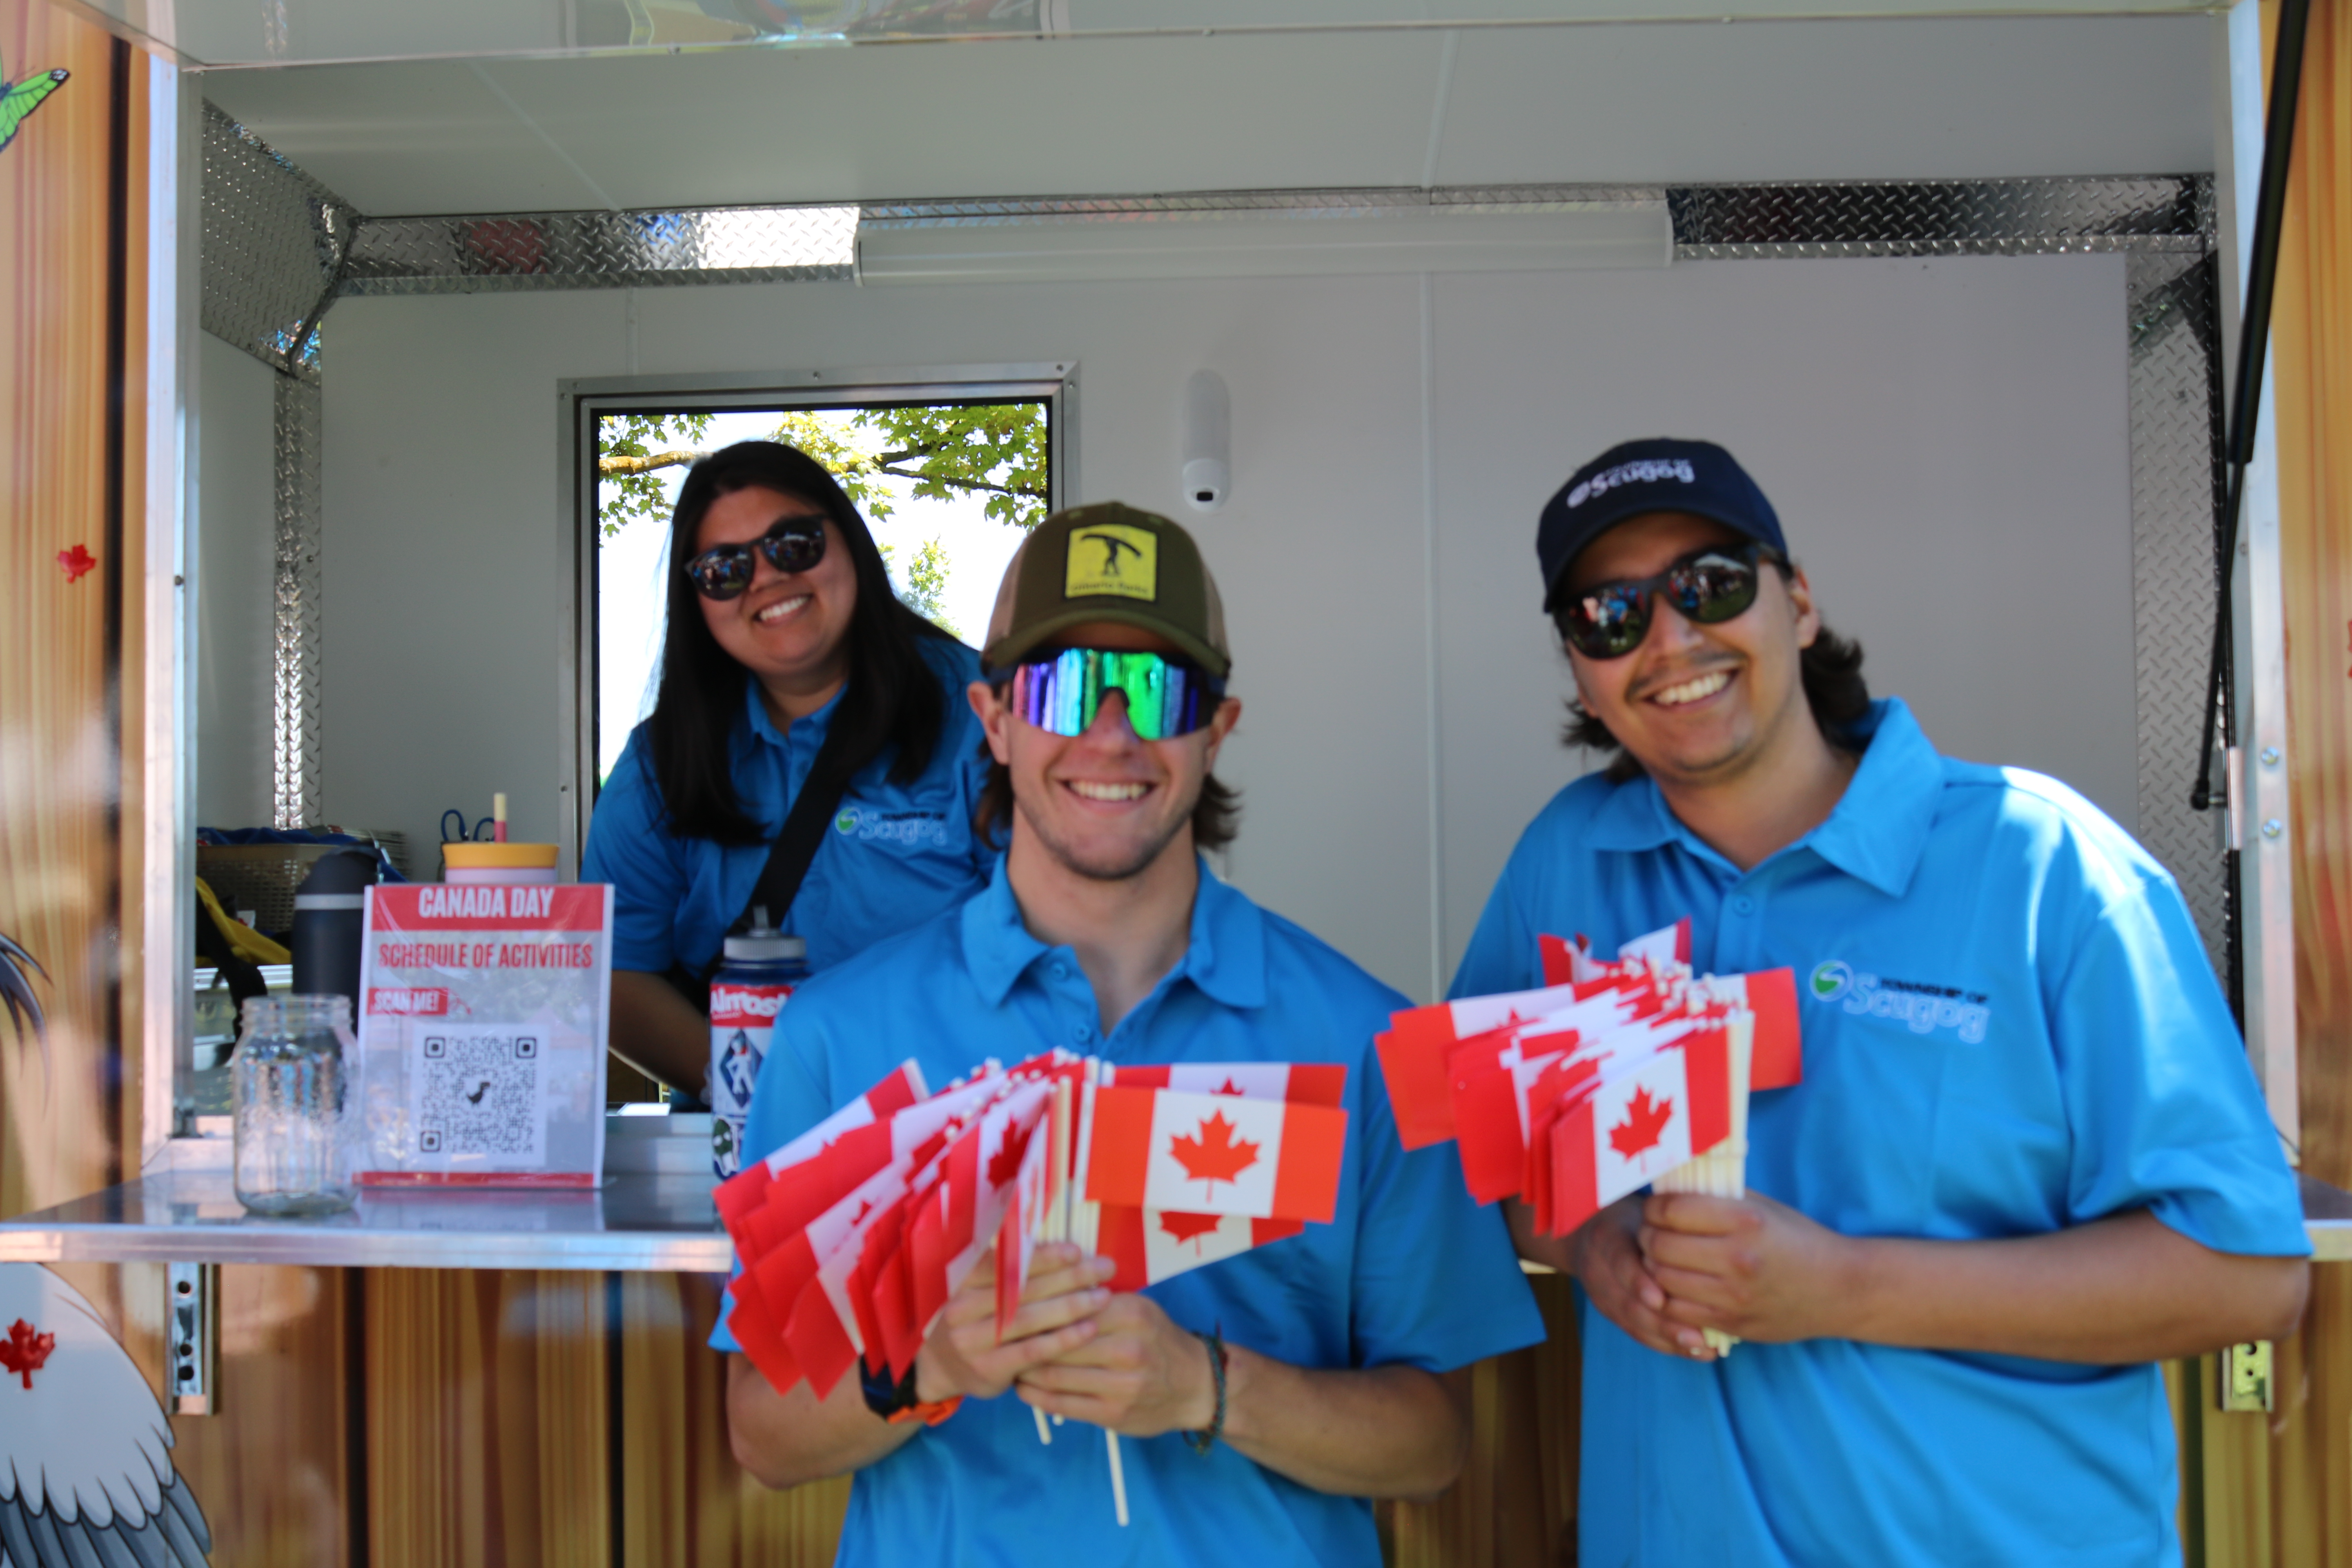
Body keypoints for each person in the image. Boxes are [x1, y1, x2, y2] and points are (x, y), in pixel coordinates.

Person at [1454, 438, 2311, 1566]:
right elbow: (1482, 1143)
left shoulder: (2045, 869)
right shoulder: (1567, 866)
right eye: (1610, 616)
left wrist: (1844, 1287)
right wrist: (1594, 1242)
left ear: (1797, 602)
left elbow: (2245, 1275)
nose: (1667, 640)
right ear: (1581, 672)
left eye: (1709, 584)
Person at [722, 503, 1544, 1564]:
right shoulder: (843, 1035)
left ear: (1216, 729)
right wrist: (932, 1363)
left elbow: (1433, 1446)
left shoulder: (1371, 1042)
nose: (1111, 735)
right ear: (996, 719)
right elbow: (764, 1433)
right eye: (1064, 688)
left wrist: (1207, 1388)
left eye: (1158, 691)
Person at [583, 441, 994, 1098]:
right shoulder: (659, 766)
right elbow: (619, 974)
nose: (767, 579)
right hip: (746, 1149)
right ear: (698, 602)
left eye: (793, 544)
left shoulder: (985, 717)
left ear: (849, 541)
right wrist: (775, 1104)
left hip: (961, 1133)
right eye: (724, 569)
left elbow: (1059, 937)